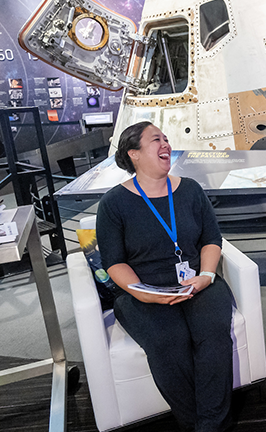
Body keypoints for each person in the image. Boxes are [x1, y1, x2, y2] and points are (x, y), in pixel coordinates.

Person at [96, 121, 234, 432]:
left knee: (213, 335)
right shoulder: (113, 204)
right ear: (134, 154)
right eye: (156, 140)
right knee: (168, 342)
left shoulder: (190, 190)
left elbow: (212, 239)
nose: (166, 145)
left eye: (166, 139)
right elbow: (115, 262)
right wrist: (143, 292)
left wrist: (207, 276)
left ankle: (211, 426)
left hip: (197, 283)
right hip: (142, 292)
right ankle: (194, 423)